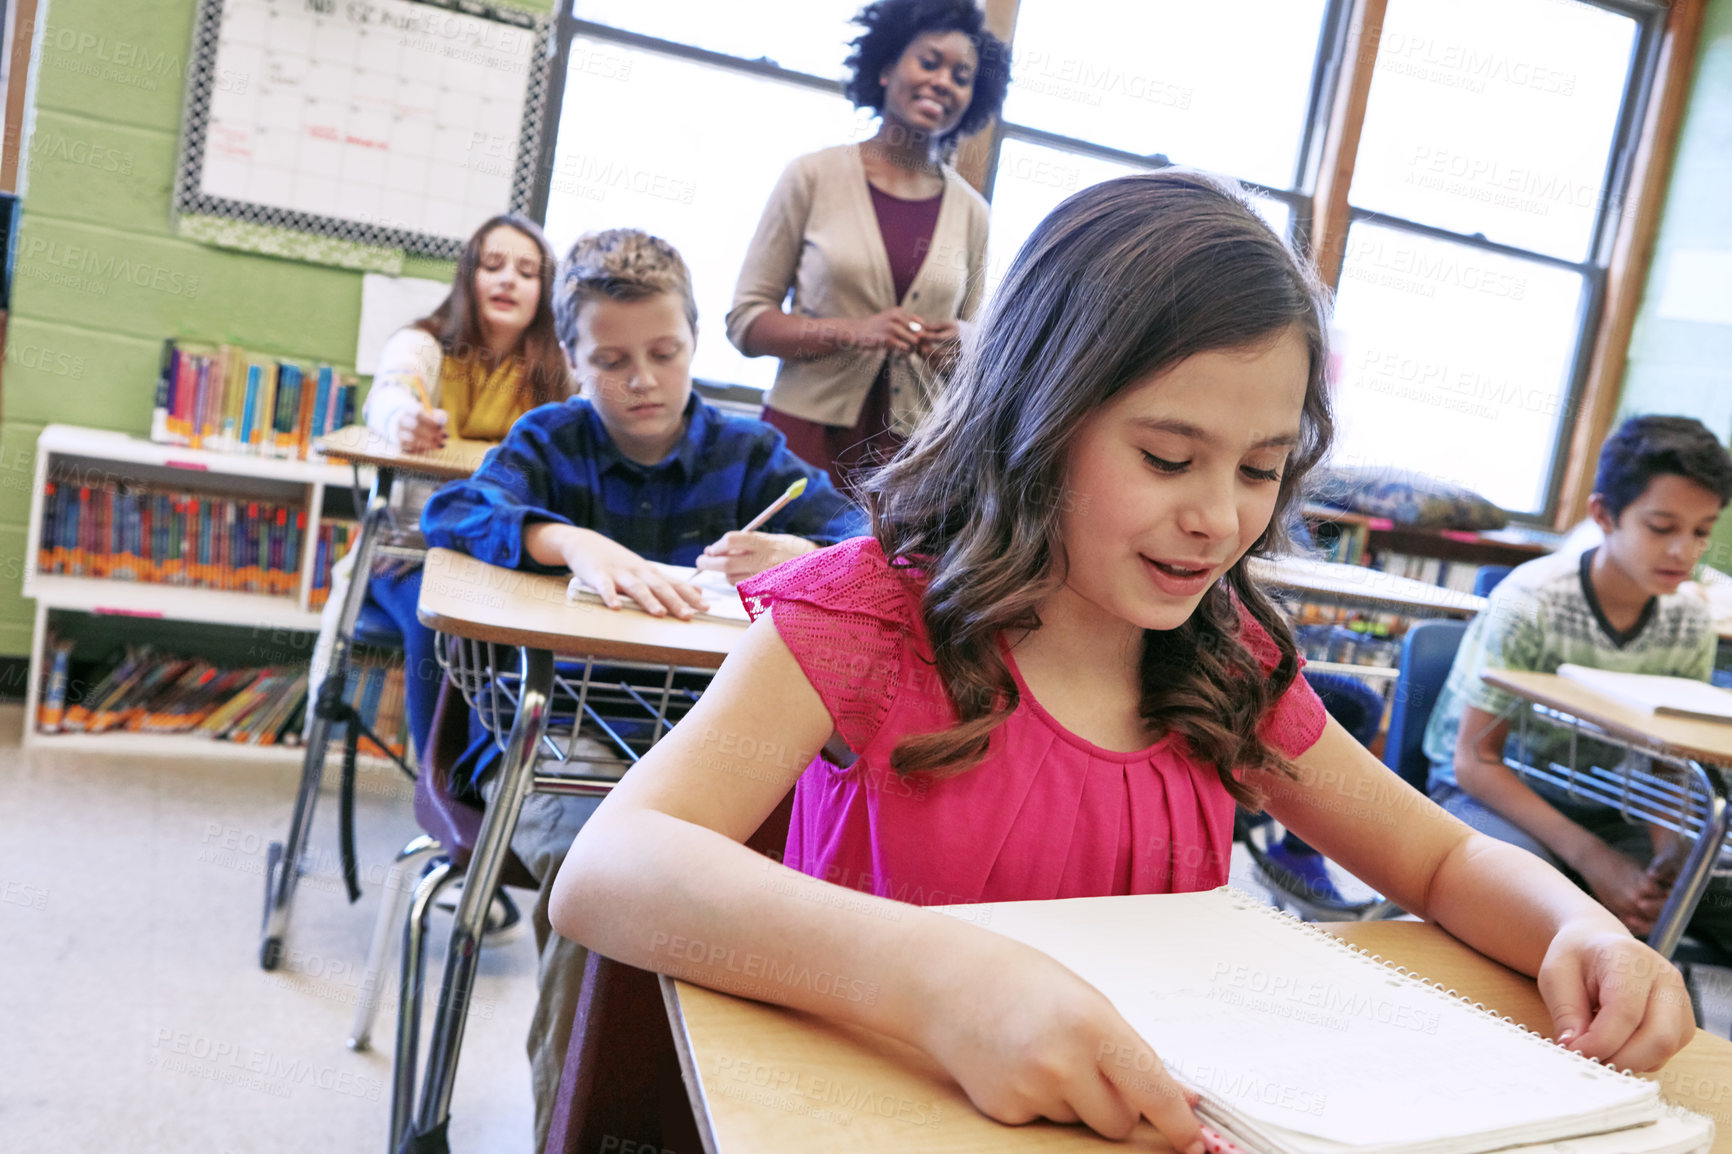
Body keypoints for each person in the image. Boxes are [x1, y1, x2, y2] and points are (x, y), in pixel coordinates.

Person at [550, 173, 1696, 1154]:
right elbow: (612, 865)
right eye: (1165, 455)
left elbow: (1439, 859)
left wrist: (1575, 927)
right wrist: (937, 978)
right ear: (1033, 418)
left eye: (1258, 468)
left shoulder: (1222, 659)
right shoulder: (868, 617)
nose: (1215, 517)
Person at [420, 228, 866, 1151]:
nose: (642, 380)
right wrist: (573, 542)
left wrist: (799, 553)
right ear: (571, 359)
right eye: (610, 360)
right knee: (602, 894)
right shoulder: (551, 440)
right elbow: (454, 509)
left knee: (770, 899)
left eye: (664, 353)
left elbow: (872, 539)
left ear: (695, 341)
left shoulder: (749, 455)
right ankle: (579, 1130)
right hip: (564, 736)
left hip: (709, 739)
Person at [1424, 414, 1732, 951]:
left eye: (1702, 531)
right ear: (1603, 515)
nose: (1684, 551)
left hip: (1606, 803)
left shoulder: (1689, 620)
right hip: (1490, 789)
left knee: (1704, 893)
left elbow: (1667, 764)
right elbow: (1475, 762)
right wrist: (1596, 859)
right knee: (1540, 901)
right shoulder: (1532, 600)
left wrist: (1667, 855)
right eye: (1662, 528)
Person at [308, 213, 569, 767]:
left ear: (544, 293)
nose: (507, 280)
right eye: (492, 266)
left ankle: (498, 791)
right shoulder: (423, 343)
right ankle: (445, 793)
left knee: (526, 635)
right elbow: (390, 392)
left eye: (526, 272)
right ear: (466, 279)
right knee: (446, 622)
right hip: (405, 556)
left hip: (506, 559)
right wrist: (403, 420)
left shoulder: (555, 373)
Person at [727, 0, 1008, 492]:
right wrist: (856, 332)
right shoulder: (812, 177)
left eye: (962, 75)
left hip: (913, 458)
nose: (944, 81)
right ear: (884, 68)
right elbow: (747, 324)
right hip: (802, 444)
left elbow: (980, 351)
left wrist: (957, 345)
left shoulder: (973, 213)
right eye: (929, 62)